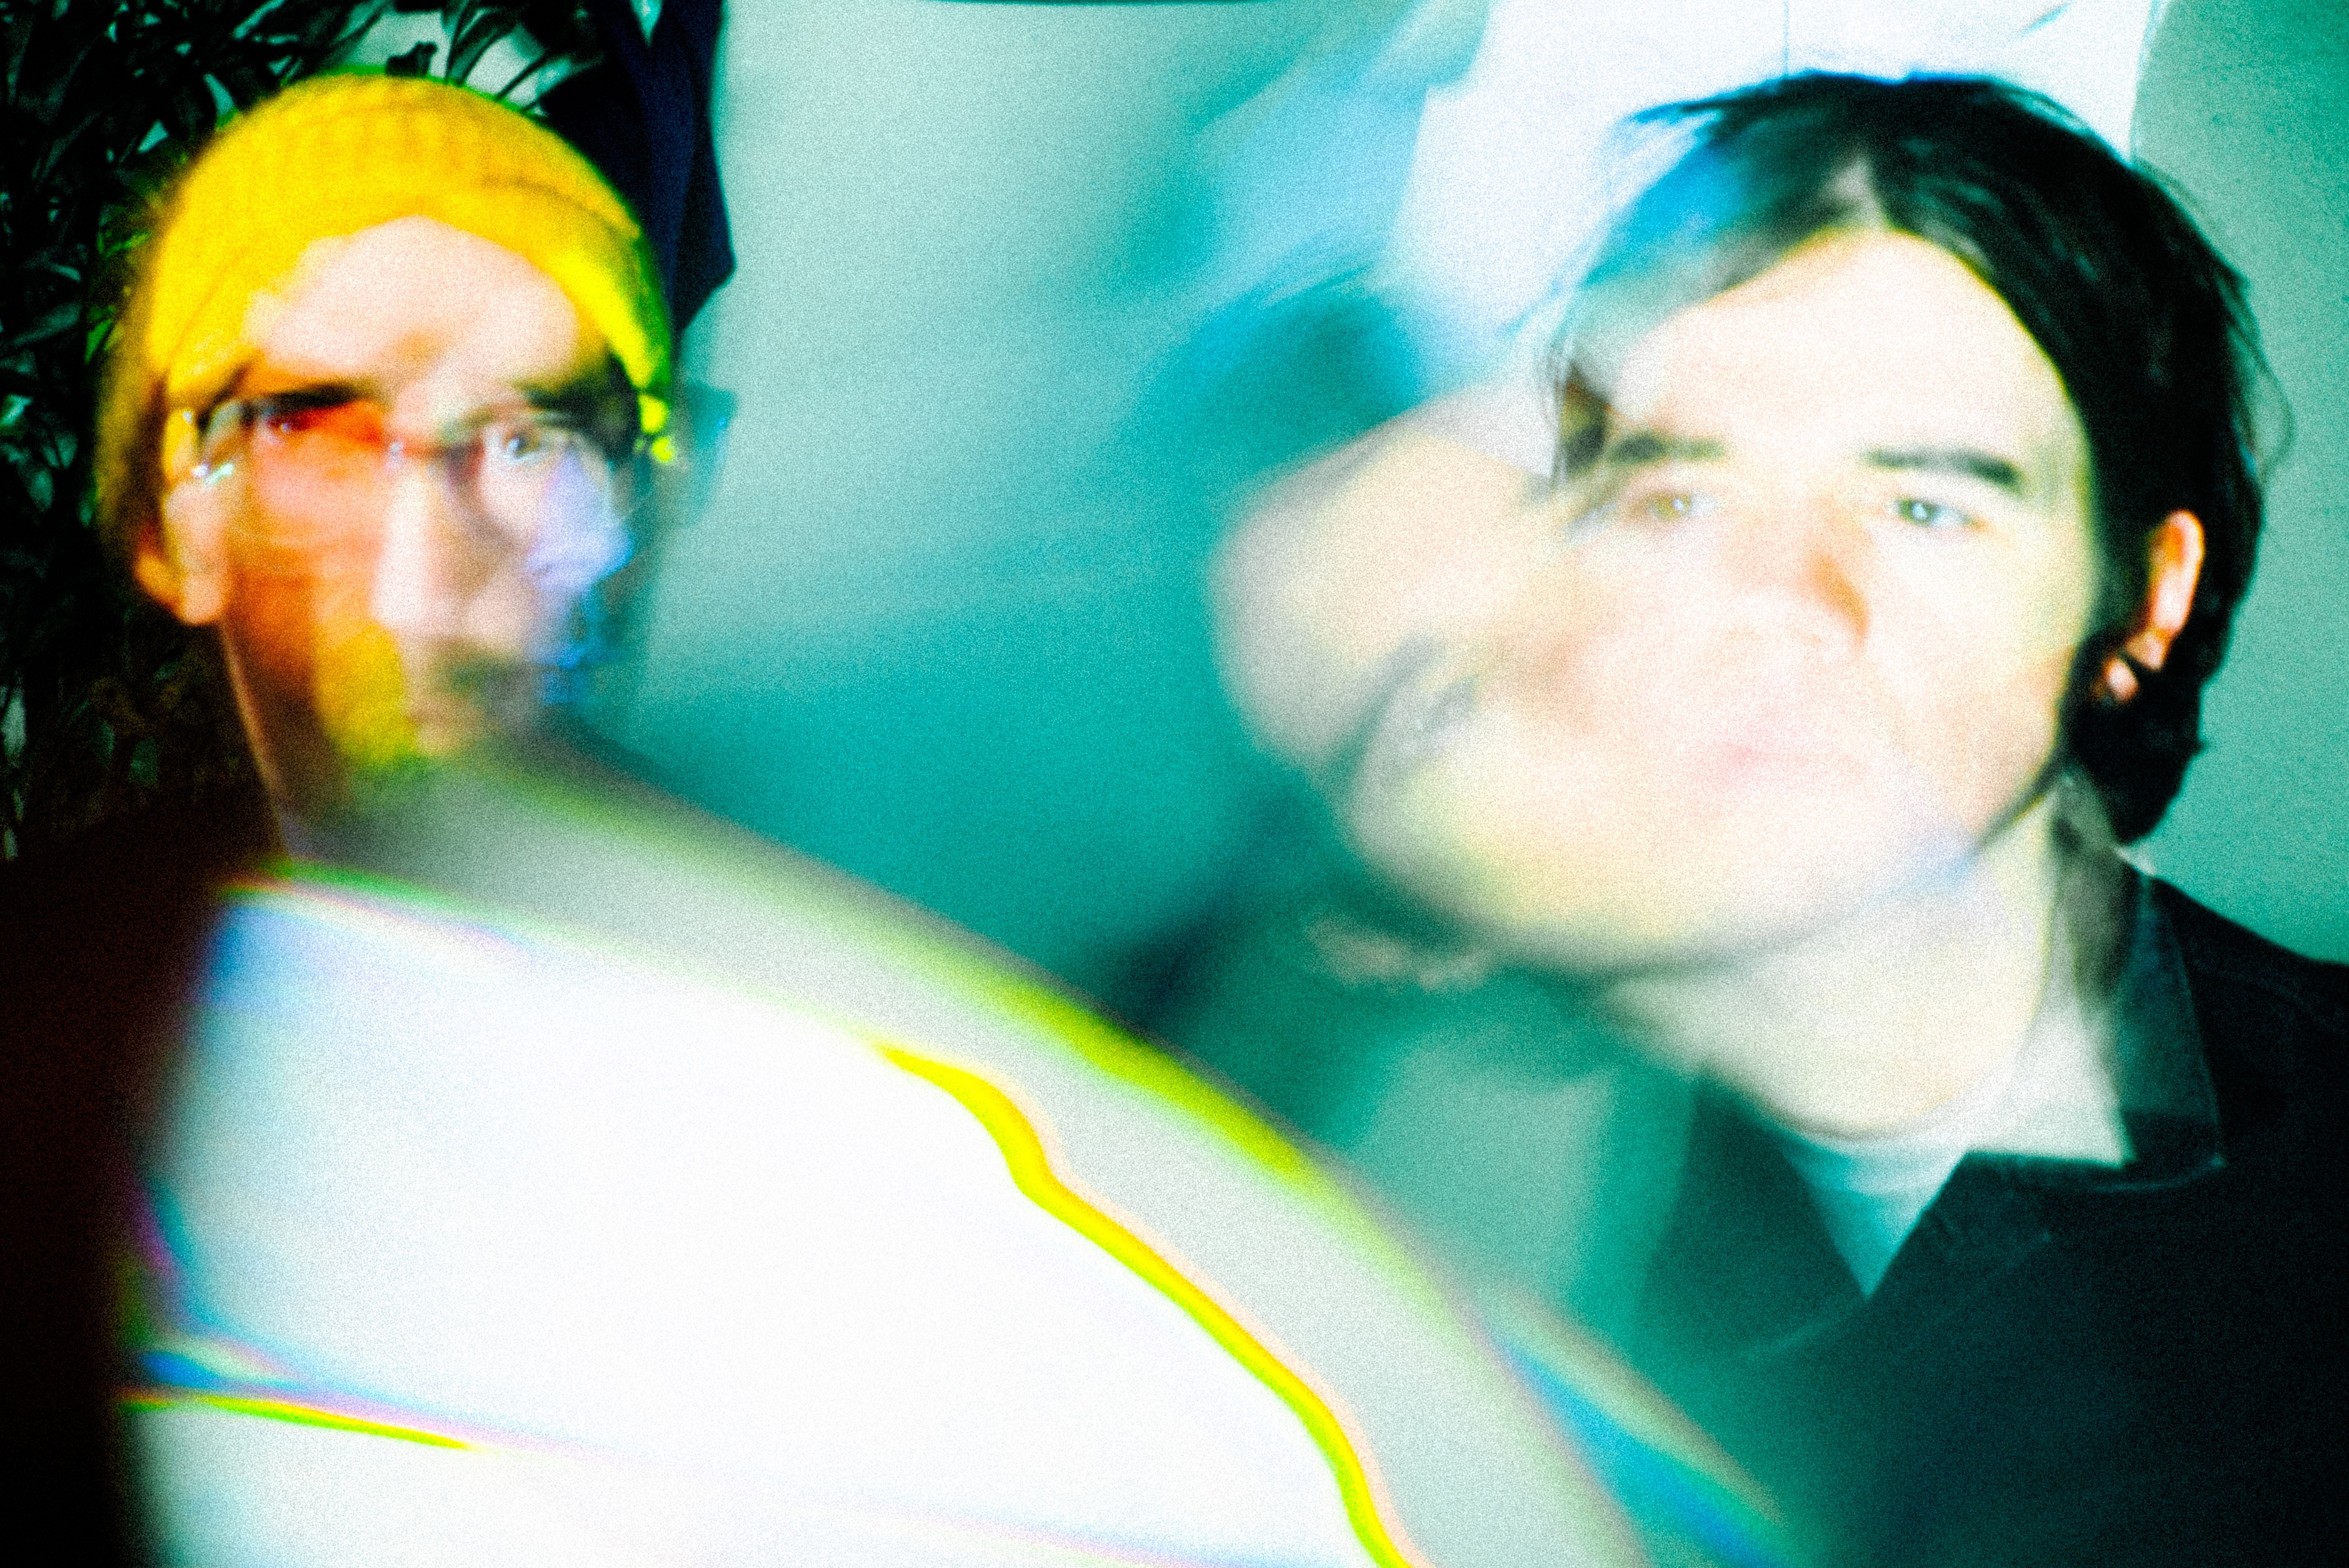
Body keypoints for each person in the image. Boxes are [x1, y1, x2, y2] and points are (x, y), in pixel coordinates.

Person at [89, 71, 1790, 1568]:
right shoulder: (86, 1039)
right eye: (318, 425)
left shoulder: (839, 1056)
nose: (431, 535)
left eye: (535, 432)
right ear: (174, 515)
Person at [1175, 72, 2345, 1568]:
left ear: (2143, 601)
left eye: (1927, 507)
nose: (1781, 603)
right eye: (1680, 502)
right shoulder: (1410, 1178)